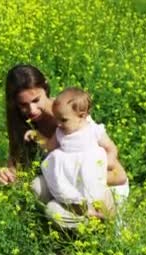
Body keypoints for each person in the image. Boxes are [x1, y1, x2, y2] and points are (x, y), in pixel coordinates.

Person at [0, 64, 129, 230]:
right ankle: (88, 226)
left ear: (46, 87)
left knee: (52, 207)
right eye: (23, 105)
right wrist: (2, 177)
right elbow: (15, 172)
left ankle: (105, 225)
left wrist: (79, 176)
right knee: (40, 193)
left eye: (36, 100)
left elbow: (119, 176)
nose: (31, 110)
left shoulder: (71, 116)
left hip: (101, 190)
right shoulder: (23, 126)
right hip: (69, 190)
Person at [24, 87, 115, 219]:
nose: (59, 124)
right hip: (66, 172)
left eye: (64, 120)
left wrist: (109, 162)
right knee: (66, 191)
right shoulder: (60, 132)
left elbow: (111, 147)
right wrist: (37, 135)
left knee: (94, 190)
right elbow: (49, 146)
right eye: (57, 119)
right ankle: (81, 210)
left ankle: (101, 217)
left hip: (88, 169)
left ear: (82, 116)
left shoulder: (93, 130)